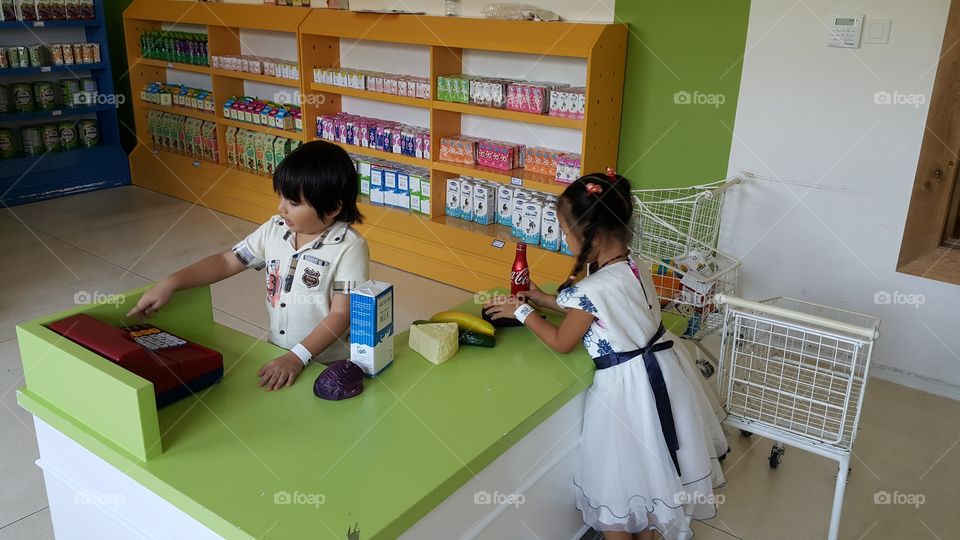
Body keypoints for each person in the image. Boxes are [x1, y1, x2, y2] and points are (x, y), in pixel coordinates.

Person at [484, 170, 727, 540]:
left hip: (625, 396)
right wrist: (543, 297)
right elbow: (605, 311)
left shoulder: (595, 287)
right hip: (661, 372)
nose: (564, 238)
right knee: (648, 484)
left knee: (616, 495)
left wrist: (521, 312)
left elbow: (563, 340)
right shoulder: (632, 266)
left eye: (565, 231)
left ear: (592, 238)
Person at [127, 140, 370, 391]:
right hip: (278, 353)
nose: (281, 208)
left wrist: (297, 357)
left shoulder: (349, 247)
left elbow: (341, 314)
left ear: (332, 208)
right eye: (281, 197)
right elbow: (225, 261)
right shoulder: (274, 230)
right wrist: (171, 282)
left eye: (294, 203)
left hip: (326, 365)